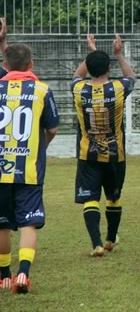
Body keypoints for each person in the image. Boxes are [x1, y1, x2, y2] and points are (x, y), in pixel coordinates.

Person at [0, 37, 60, 294]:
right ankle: (23, 273)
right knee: (28, 223)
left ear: (5, 65)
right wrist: (40, 146)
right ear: (31, 64)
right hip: (30, 168)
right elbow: (53, 128)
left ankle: (4, 276)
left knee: (2, 223)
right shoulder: (42, 90)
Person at [72, 34, 136, 257]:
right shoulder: (118, 88)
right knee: (114, 196)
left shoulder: (78, 89)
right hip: (114, 154)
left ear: (89, 68)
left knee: (90, 198)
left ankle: (96, 243)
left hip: (87, 153)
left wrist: (91, 52)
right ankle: (110, 239)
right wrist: (118, 54)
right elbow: (131, 76)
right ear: (109, 67)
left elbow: (78, 75)